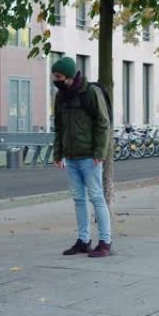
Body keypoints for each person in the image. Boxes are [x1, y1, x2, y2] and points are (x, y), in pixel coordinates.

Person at [52, 57, 113, 257]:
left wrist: (99, 153)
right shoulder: (60, 96)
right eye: (54, 76)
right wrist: (58, 153)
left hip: (90, 157)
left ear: (69, 76)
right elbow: (59, 127)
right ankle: (83, 240)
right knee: (78, 199)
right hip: (71, 157)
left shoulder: (91, 93)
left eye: (59, 76)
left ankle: (105, 242)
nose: (56, 80)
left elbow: (103, 124)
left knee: (96, 197)